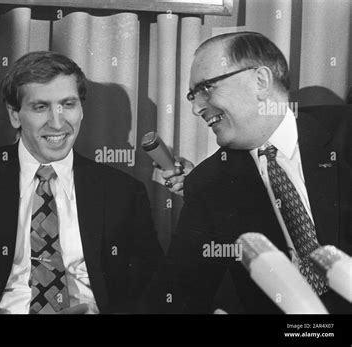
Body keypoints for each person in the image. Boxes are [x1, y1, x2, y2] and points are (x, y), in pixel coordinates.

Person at [0, 51, 163, 314]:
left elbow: (153, 289)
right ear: (14, 115)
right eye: (40, 107)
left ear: (81, 110)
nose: (58, 122)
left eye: (68, 104)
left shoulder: (124, 192)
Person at [150, 31, 352, 314]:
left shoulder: (346, 134)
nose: (196, 108)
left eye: (206, 88)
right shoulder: (209, 182)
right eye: (192, 95)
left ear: (260, 81)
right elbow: (179, 290)